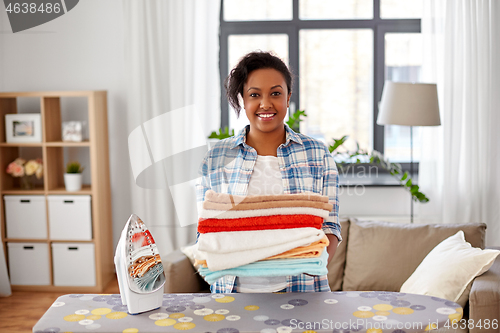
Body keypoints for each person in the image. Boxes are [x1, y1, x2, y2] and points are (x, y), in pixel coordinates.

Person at [196, 51, 341, 293]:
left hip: (302, 294)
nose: (265, 104)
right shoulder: (217, 158)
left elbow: (329, 228)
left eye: (275, 93)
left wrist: (310, 264)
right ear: (243, 99)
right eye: (255, 95)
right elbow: (207, 229)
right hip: (232, 295)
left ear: (288, 97)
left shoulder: (317, 155)